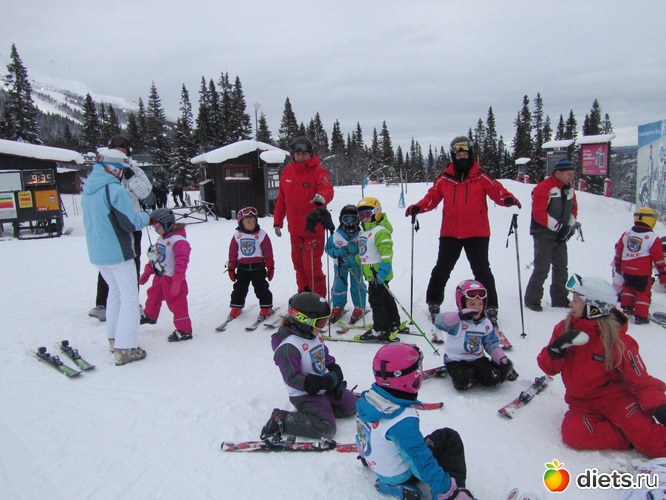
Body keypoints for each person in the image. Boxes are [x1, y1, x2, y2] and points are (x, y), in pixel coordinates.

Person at [537, 274, 666, 458]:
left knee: (654, 444)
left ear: (593, 307)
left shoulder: (618, 341)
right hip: (581, 402)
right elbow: (549, 369)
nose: (570, 304)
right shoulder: (565, 328)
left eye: (576, 300)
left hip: (617, 399)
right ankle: (628, 437)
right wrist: (554, 351)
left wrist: (659, 407)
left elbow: (641, 380)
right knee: (573, 434)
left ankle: (636, 434)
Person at [404, 135, 521, 323]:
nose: (462, 158)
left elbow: (496, 190)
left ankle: (491, 305)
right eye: (458, 155)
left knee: (482, 270)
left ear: (470, 154)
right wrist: (419, 207)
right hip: (450, 232)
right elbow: (432, 197)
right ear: (453, 156)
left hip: (477, 232)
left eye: (465, 154)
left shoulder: (481, 176)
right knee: (442, 268)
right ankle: (434, 301)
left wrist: (507, 199)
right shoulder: (445, 178)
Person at [356, 343, 474, 499]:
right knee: (448, 437)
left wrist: (366, 457)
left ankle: (390, 486)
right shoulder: (402, 419)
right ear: (407, 378)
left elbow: (362, 433)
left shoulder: (368, 400)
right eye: (417, 370)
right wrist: (446, 490)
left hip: (379, 467)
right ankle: (452, 494)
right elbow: (421, 461)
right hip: (402, 474)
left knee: (408, 443)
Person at [82, 148, 150, 365]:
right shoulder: (114, 190)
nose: (122, 174)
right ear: (113, 168)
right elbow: (131, 223)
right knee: (130, 298)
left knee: (115, 294)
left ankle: (114, 339)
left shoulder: (89, 189)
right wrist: (147, 216)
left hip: (98, 253)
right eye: (121, 170)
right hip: (118, 252)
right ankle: (126, 347)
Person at [260, 292, 357, 440]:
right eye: (320, 323)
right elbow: (292, 377)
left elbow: (324, 356)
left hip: (323, 386)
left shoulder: (313, 334)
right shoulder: (289, 347)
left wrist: (334, 370)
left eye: (325, 321)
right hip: (305, 394)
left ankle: (325, 407)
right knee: (327, 428)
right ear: (303, 321)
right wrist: (317, 383)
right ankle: (282, 419)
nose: (323, 327)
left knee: (353, 407)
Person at [88, 135, 152, 322]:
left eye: (123, 150)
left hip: (132, 221)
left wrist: (131, 178)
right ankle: (102, 302)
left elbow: (145, 192)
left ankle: (131, 300)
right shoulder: (104, 169)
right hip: (110, 221)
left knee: (132, 261)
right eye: (116, 149)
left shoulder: (134, 170)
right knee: (109, 261)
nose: (120, 152)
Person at [273, 136, 334, 298]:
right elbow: (281, 199)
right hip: (295, 230)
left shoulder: (319, 171)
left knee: (312, 267)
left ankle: (318, 299)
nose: (300, 157)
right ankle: (304, 295)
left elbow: (327, 189)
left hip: (313, 229)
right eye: (298, 154)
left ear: (310, 154)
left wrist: (322, 197)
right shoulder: (288, 171)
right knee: (299, 266)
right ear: (293, 154)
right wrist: (277, 221)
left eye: (304, 154)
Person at [433, 279, 518, 390]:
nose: (477, 307)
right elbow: (438, 321)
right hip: (455, 360)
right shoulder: (456, 321)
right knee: (463, 380)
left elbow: (491, 344)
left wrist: (501, 359)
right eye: (472, 304)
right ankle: (468, 377)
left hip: (477, 359)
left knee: (492, 379)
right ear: (462, 303)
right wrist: (459, 316)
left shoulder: (485, 323)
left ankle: (501, 370)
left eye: (480, 304)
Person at [524, 158, 580, 312]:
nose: (571, 177)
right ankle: (532, 298)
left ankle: (560, 297)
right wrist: (559, 227)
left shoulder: (569, 189)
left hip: (560, 234)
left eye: (572, 174)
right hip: (543, 234)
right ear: (558, 173)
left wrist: (568, 227)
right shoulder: (543, 188)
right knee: (542, 267)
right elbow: (539, 213)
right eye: (568, 174)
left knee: (561, 266)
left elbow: (573, 209)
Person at [356, 197, 407, 341]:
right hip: (372, 275)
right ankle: (393, 322)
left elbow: (387, 253)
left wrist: (383, 271)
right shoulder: (363, 232)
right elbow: (365, 251)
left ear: (376, 213)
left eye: (367, 214)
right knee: (385, 298)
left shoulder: (380, 231)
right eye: (361, 215)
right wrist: (355, 259)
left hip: (378, 274)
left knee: (376, 301)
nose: (364, 218)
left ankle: (381, 329)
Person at [138, 208, 193, 342]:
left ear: (168, 224)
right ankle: (150, 315)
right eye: (154, 227)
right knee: (153, 294)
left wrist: (177, 281)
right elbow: (155, 258)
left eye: (157, 227)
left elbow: (181, 262)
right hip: (160, 275)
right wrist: (147, 273)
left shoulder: (178, 241)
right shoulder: (161, 239)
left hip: (173, 279)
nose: (155, 230)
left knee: (177, 303)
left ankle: (185, 330)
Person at [613, 207, 666, 324]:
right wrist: (663, 275)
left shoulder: (627, 234)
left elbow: (619, 252)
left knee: (628, 287)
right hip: (642, 272)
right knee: (643, 292)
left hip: (627, 269)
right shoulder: (652, 238)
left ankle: (626, 307)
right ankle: (641, 316)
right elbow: (659, 259)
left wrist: (618, 267)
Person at [226, 207, 275, 321]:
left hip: (258, 268)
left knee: (261, 288)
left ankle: (266, 306)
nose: (251, 224)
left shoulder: (261, 234)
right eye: (248, 222)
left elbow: (268, 252)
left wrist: (270, 267)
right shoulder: (237, 235)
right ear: (241, 223)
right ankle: (236, 306)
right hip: (242, 268)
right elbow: (233, 253)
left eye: (253, 221)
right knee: (239, 289)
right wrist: (231, 268)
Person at [324, 204, 366, 324]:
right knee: (339, 286)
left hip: (355, 265)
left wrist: (357, 249)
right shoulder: (336, 236)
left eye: (353, 219)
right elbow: (328, 248)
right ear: (341, 220)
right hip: (340, 266)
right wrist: (336, 252)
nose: (349, 222)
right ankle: (338, 305)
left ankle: (359, 306)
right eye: (346, 219)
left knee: (357, 285)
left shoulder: (361, 235)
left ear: (358, 220)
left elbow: (366, 250)